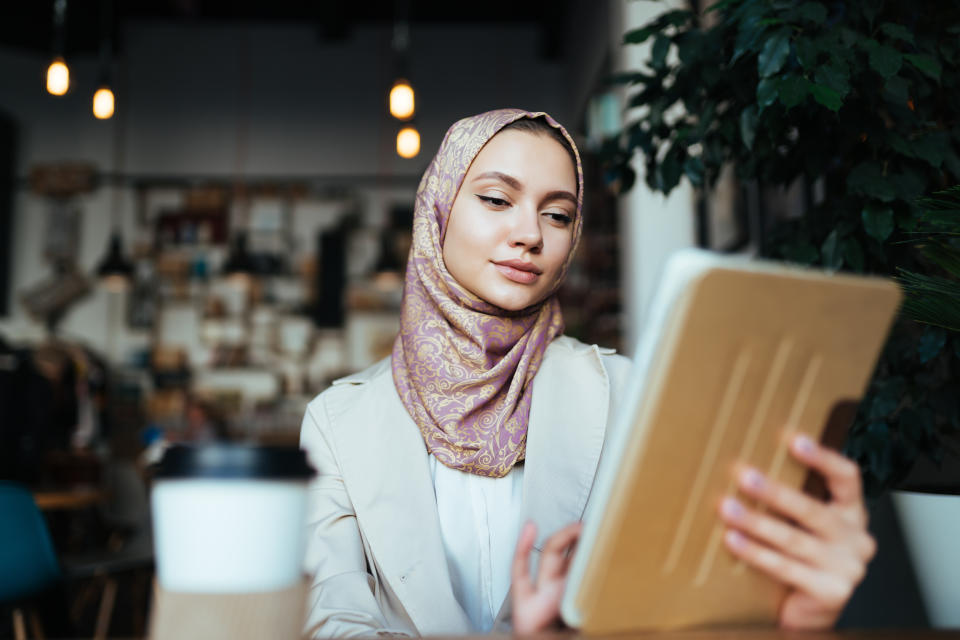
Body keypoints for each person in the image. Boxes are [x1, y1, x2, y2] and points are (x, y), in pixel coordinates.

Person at [299, 108, 875, 637]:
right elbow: (333, 621)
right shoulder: (337, 421)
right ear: (438, 209)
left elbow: (679, 608)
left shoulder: (626, 394)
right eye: (497, 200)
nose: (530, 235)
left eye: (557, 214)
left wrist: (786, 614)